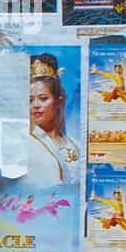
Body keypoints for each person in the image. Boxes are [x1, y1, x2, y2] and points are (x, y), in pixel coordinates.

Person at [28, 53, 82, 186]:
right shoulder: (24, 145)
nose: (35, 105)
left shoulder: (77, 145)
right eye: (30, 100)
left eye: (43, 98)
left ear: (58, 101)